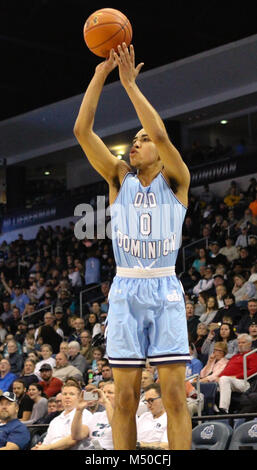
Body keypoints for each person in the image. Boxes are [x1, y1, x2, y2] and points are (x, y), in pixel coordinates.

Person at [74, 43, 191, 450]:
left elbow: (159, 131)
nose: (136, 144)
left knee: (175, 396)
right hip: (125, 290)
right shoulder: (118, 177)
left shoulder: (177, 179)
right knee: (125, 398)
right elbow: (82, 132)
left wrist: (128, 85)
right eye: (134, 140)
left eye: (142, 140)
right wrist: (99, 76)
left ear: (161, 151)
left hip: (164, 288)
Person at [31, 382, 92, 450]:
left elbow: (72, 440)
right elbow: (46, 443)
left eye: (71, 394)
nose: (67, 397)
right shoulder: (55, 420)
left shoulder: (85, 414)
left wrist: (47, 447)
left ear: (79, 397)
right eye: (64, 394)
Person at [217, 333, 257, 413]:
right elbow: (226, 370)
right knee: (211, 386)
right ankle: (212, 409)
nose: (240, 345)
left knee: (224, 379)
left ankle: (223, 409)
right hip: (229, 381)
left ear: (249, 344)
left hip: (244, 382)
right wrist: (219, 377)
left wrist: (237, 377)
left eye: (243, 342)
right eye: (239, 343)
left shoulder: (252, 355)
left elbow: (254, 370)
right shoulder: (235, 356)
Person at [71, 382, 115, 450]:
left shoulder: (127, 416)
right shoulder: (96, 416)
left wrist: (106, 403)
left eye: (110, 392)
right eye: (103, 392)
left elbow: (117, 429)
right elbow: (76, 435)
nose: (105, 395)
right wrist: (79, 410)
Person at [136, 383, 168, 449]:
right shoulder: (143, 416)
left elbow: (165, 446)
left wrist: (141, 445)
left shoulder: (170, 419)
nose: (148, 405)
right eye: (146, 401)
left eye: (151, 400)